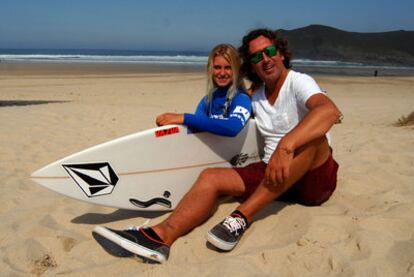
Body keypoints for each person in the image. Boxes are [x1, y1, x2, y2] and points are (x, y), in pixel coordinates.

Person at [92, 29, 341, 264]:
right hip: (273, 175)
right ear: (251, 64)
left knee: (312, 139)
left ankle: (240, 217)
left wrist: (286, 146)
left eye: (269, 51)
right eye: (256, 56)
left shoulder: (299, 82)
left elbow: (329, 111)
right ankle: (159, 237)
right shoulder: (256, 94)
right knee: (211, 177)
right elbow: (232, 113)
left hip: (312, 182)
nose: (265, 59)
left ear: (282, 53)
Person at [155, 43, 251, 136]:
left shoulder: (241, 98)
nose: (222, 73)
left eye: (228, 68)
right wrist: (169, 128)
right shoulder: (207, 100)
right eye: (217, 67)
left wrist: (184, 117)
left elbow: (233, 127)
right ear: (210, 69)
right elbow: (197, 128)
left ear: (236, 70)